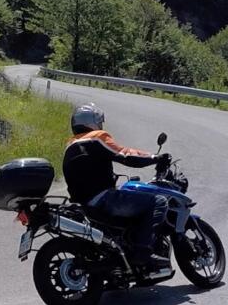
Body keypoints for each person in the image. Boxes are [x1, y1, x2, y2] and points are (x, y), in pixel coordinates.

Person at [63, 103, 172, 273]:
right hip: (104, 199)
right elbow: (125, 154)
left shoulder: (69, 146)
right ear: (93, 121)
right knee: (158, 201)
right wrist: (155, 158)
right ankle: (143, 252)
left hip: (84, 205)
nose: (101, 125)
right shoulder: (96, 137)